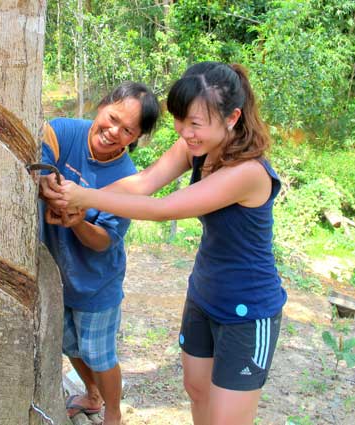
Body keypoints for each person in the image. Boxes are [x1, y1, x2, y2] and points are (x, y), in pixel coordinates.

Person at [49, 62, 287, 425]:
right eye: (180, 120)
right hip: (204, 296)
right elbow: (142, 183)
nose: (184, 132)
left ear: (232, 117)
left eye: (195, 123)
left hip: (249, 310)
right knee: (196, 391)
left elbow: (163, 209)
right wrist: (76, 199)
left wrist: (85, 198)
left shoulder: (248, 173)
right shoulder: (198, 147)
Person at [37, 82, 160, 425]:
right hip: (55, 272)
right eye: (112, 118)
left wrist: (76, 222)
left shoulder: (128, 179)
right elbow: (42, 151)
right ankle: (92, 396)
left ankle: (114, 414)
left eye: (127, 130)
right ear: (102, 105)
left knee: (99, 353)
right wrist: (46, 181)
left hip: (96, 282)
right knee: (67, 342)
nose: (113, 132)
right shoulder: (63, 131)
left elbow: (105, 239)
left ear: (135, 138)